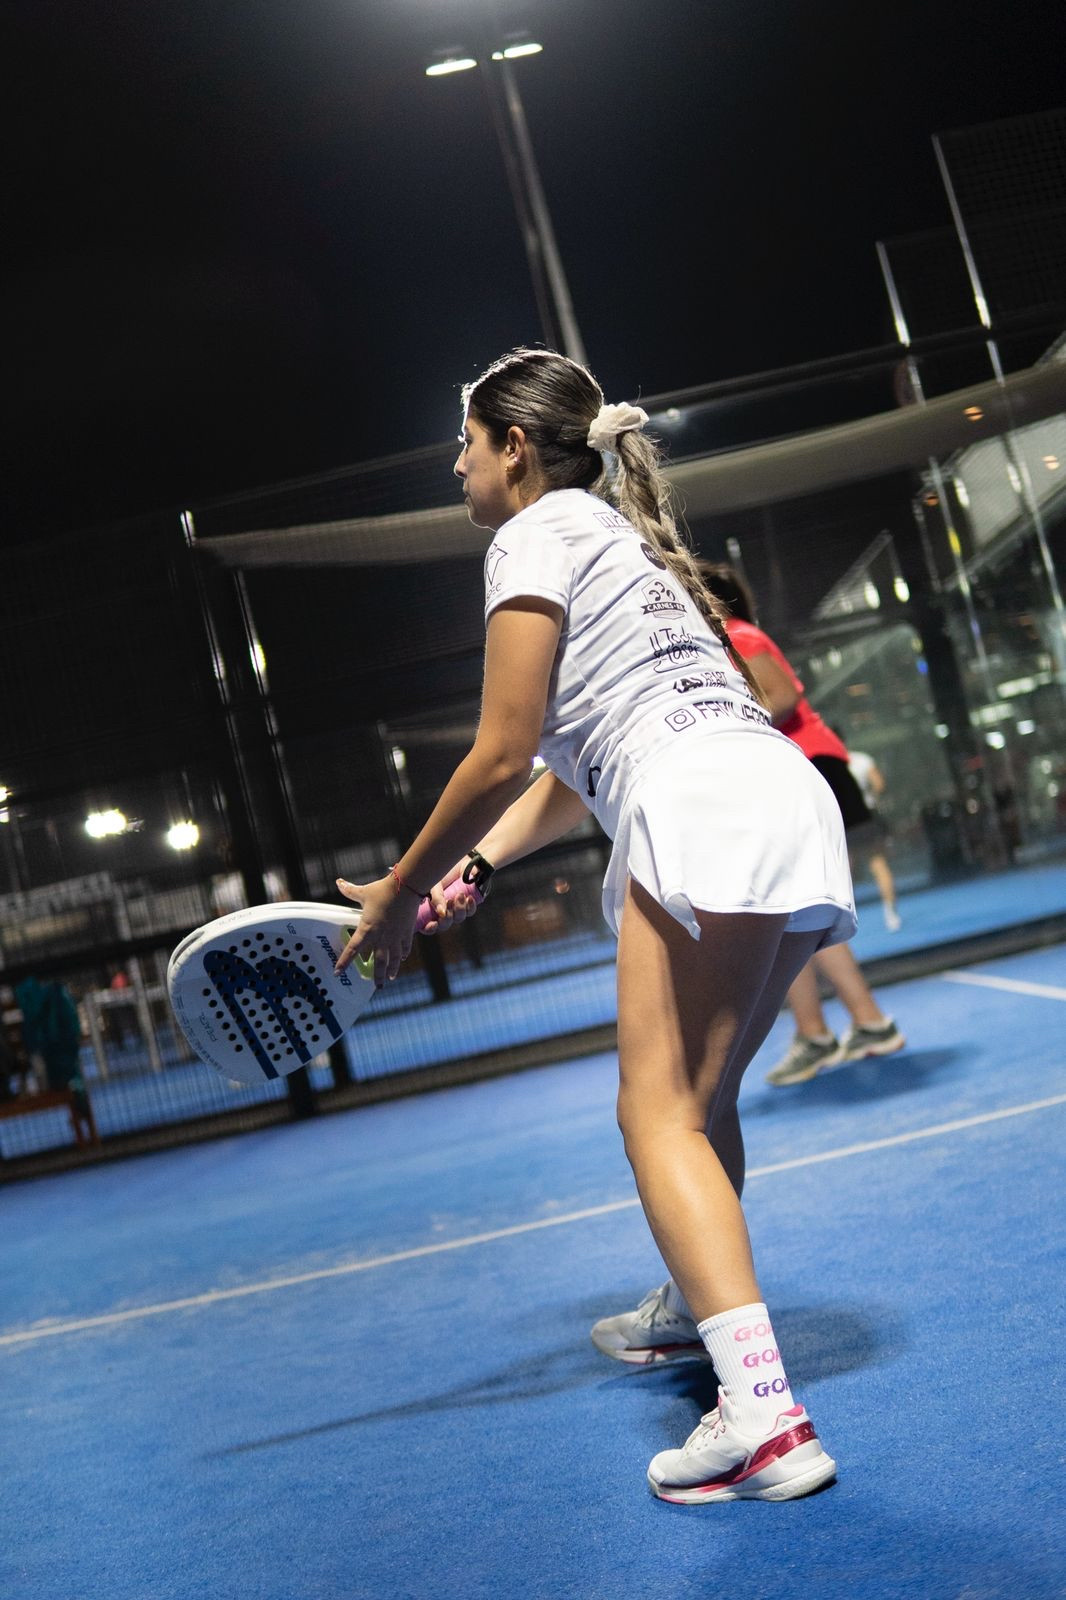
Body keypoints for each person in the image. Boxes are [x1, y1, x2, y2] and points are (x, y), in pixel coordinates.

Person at [334, 348, 854, 1504]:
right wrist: (474, 866)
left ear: (514, 447)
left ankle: (762, 1420)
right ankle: (691, 1308)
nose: (457, 466)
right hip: (774, 790)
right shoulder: (620, 541)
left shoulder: (528, 536)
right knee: (700, 1101)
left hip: (699, 800)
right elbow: (569, 773)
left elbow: (501, 749)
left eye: (466, 444)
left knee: (653, 1115)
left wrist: (401, 885)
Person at [697, 565, 905, 1088]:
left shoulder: (737, 635)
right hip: (796, 771)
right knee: (786, 909)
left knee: (798, 907)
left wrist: (720, 726)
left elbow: (783, 697)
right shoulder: (722, 642)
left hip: (809, 768)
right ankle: (826, 1029)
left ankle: (861, 1023)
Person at [845, 746, 902, 931]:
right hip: (865, 817)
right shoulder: (861, 760)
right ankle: (891, 913)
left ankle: (841, 919)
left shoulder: (826, 764)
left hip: (845, 820)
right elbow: (879, 784)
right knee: (878, 864)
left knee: (844, 872)